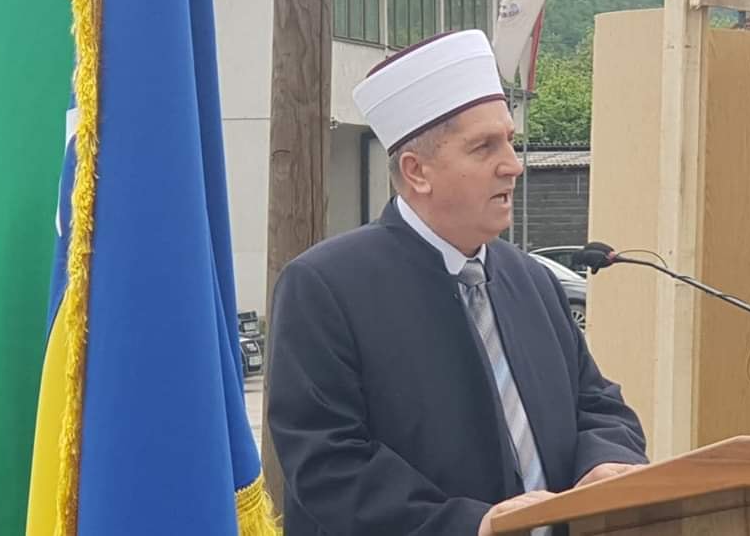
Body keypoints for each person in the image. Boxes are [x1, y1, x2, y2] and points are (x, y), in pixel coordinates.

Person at [267, 29, 648, 536]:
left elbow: (596, 403)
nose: (513, 165)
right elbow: (327, 463)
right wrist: (473, 525)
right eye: (484, 147)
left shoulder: (531, 280)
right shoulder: (325, 287)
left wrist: (606, 462)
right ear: (417, 171)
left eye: (509, 140)